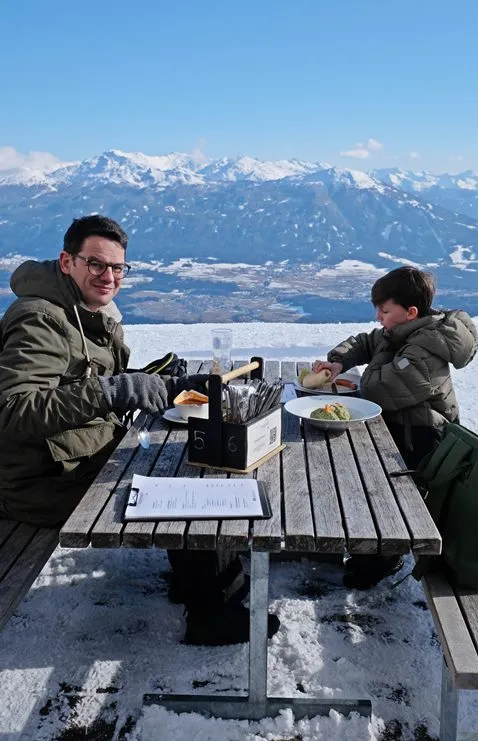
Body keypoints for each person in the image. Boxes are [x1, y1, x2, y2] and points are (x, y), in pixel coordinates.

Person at [0, 214, 279, 646]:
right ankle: (211, 610)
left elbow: (84, 381)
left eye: (117, 267)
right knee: (183, 484)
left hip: (82, 453)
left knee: (188, 460)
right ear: (66, 261)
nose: (108, 276)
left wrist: (167, 387)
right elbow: (14, 411)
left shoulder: (84, 310)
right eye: (95, 264)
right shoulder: (42, 320)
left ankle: (201, 583)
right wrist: (116, 390)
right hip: (46, 481)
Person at [312, 266, 478, 589]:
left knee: (371, 483)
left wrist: (374, 361)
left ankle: (382, 557)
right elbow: (366, 342)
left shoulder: (424, 353)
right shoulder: (404, 331)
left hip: (421, 450)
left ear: (410, 312)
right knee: (352, 465)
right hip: (399, 435)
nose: (378, 317)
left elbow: (376, 389)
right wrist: (338, 361)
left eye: (384, 311)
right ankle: (368, 551)